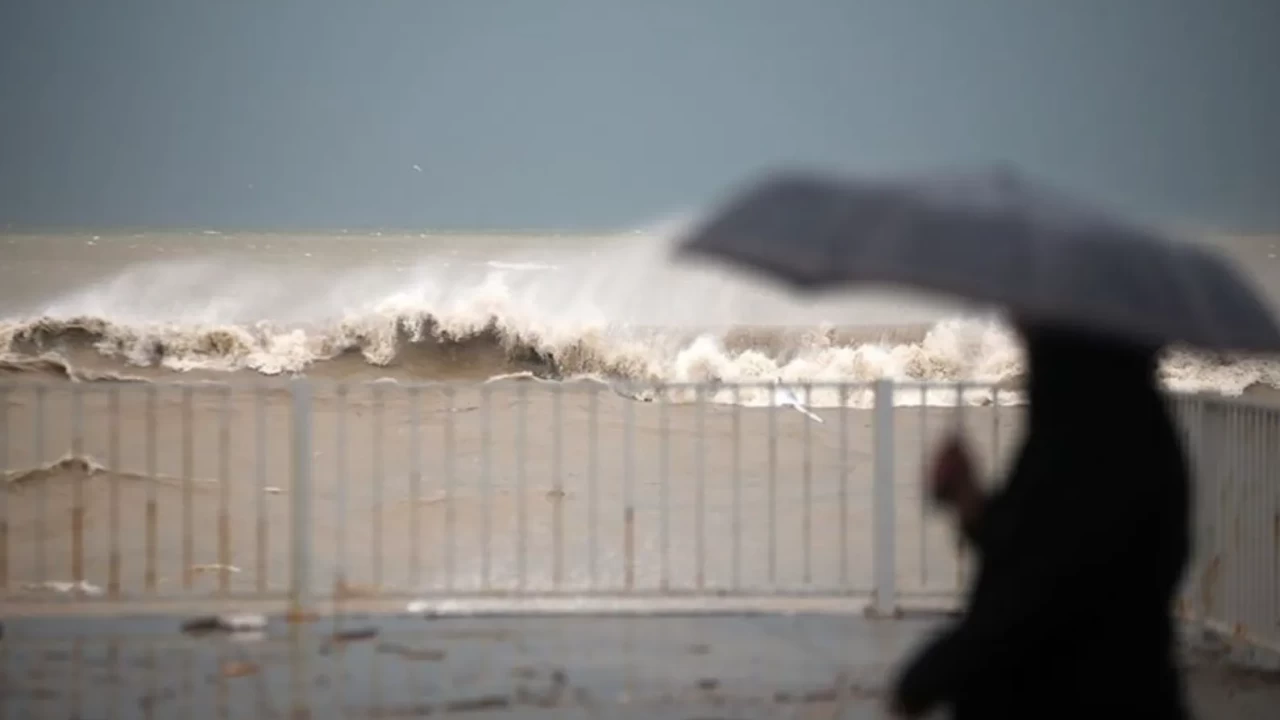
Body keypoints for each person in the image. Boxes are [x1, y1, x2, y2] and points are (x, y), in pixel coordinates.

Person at [888, 323, 1192, 719]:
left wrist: (932, 673)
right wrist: (968, 498)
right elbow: (1032, 538)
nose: (1022, 335)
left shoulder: (1094, 442)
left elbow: (1041, 592)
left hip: (1079, 697)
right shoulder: (1115, 427)